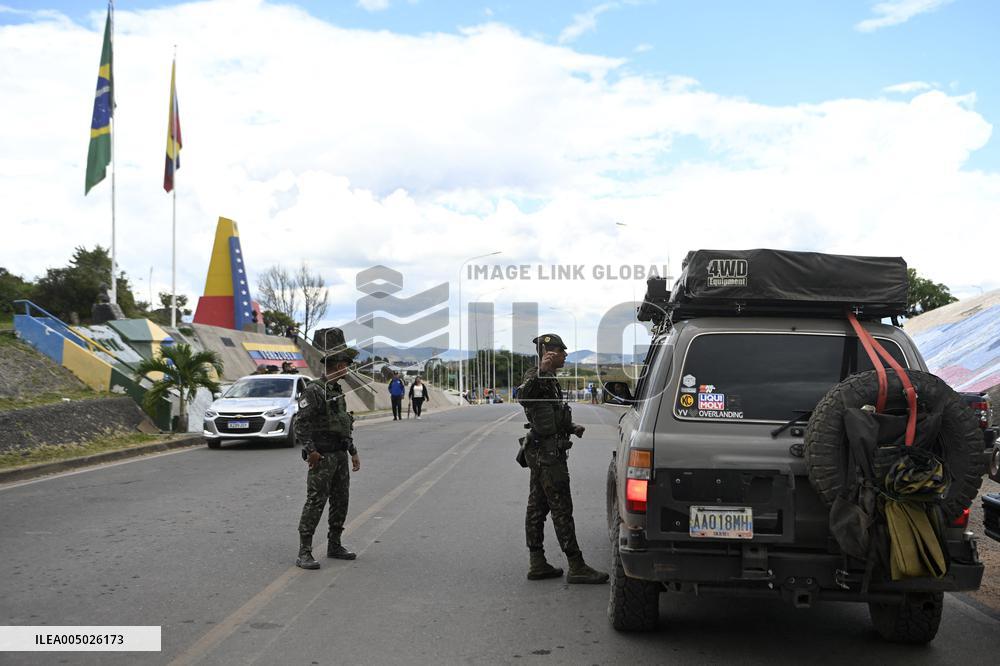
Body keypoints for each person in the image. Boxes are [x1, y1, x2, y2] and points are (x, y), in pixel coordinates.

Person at [517, 333, 608, 584]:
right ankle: (576, 565)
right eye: (562, 351)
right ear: (549, 353)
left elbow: (552, 414)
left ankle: (537, 563)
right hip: (547, 456)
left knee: (537, 507)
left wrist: (571, 427)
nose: (566, 355)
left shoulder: (552, 380)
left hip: (545, 451)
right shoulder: (535, 376)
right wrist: (542, 372)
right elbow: (523, 397)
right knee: (561, 509)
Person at [294, 327, 362, 570]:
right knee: (315, 502)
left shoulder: (336, 392)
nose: (348, 367)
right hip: (321, 457)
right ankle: (304, 551)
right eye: (346, 363)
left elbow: (343, 425)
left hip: (339, 455)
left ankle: (335, 544)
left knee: (340, 501)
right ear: (336, 365)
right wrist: (311, 450)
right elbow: (300, 423)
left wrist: (352, 451)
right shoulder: (314, 390)